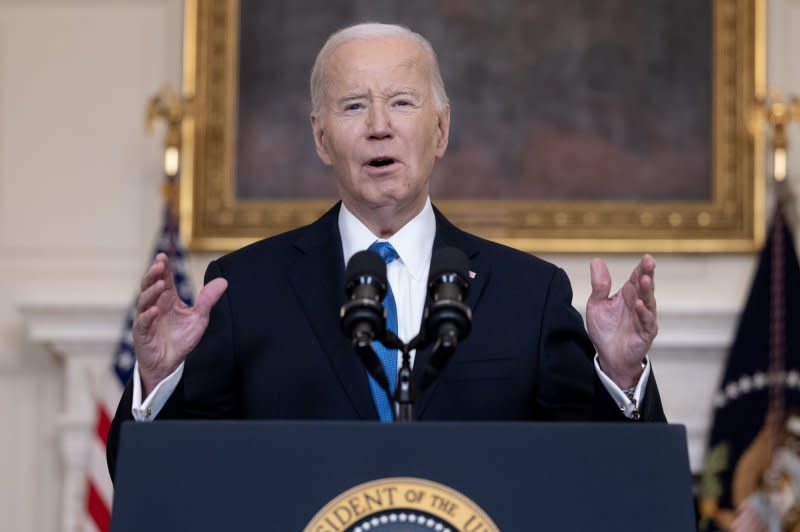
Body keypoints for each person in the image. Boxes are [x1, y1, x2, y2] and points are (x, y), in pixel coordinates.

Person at [107, 22, 664, 477]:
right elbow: (163, 480)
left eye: (401, 102)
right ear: (321, 139)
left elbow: (600, 477)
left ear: (441, 131)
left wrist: (620, 374)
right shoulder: (244, 290)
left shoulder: (530, 294)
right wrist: (156, 383)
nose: (379, 127)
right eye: (352, 106)